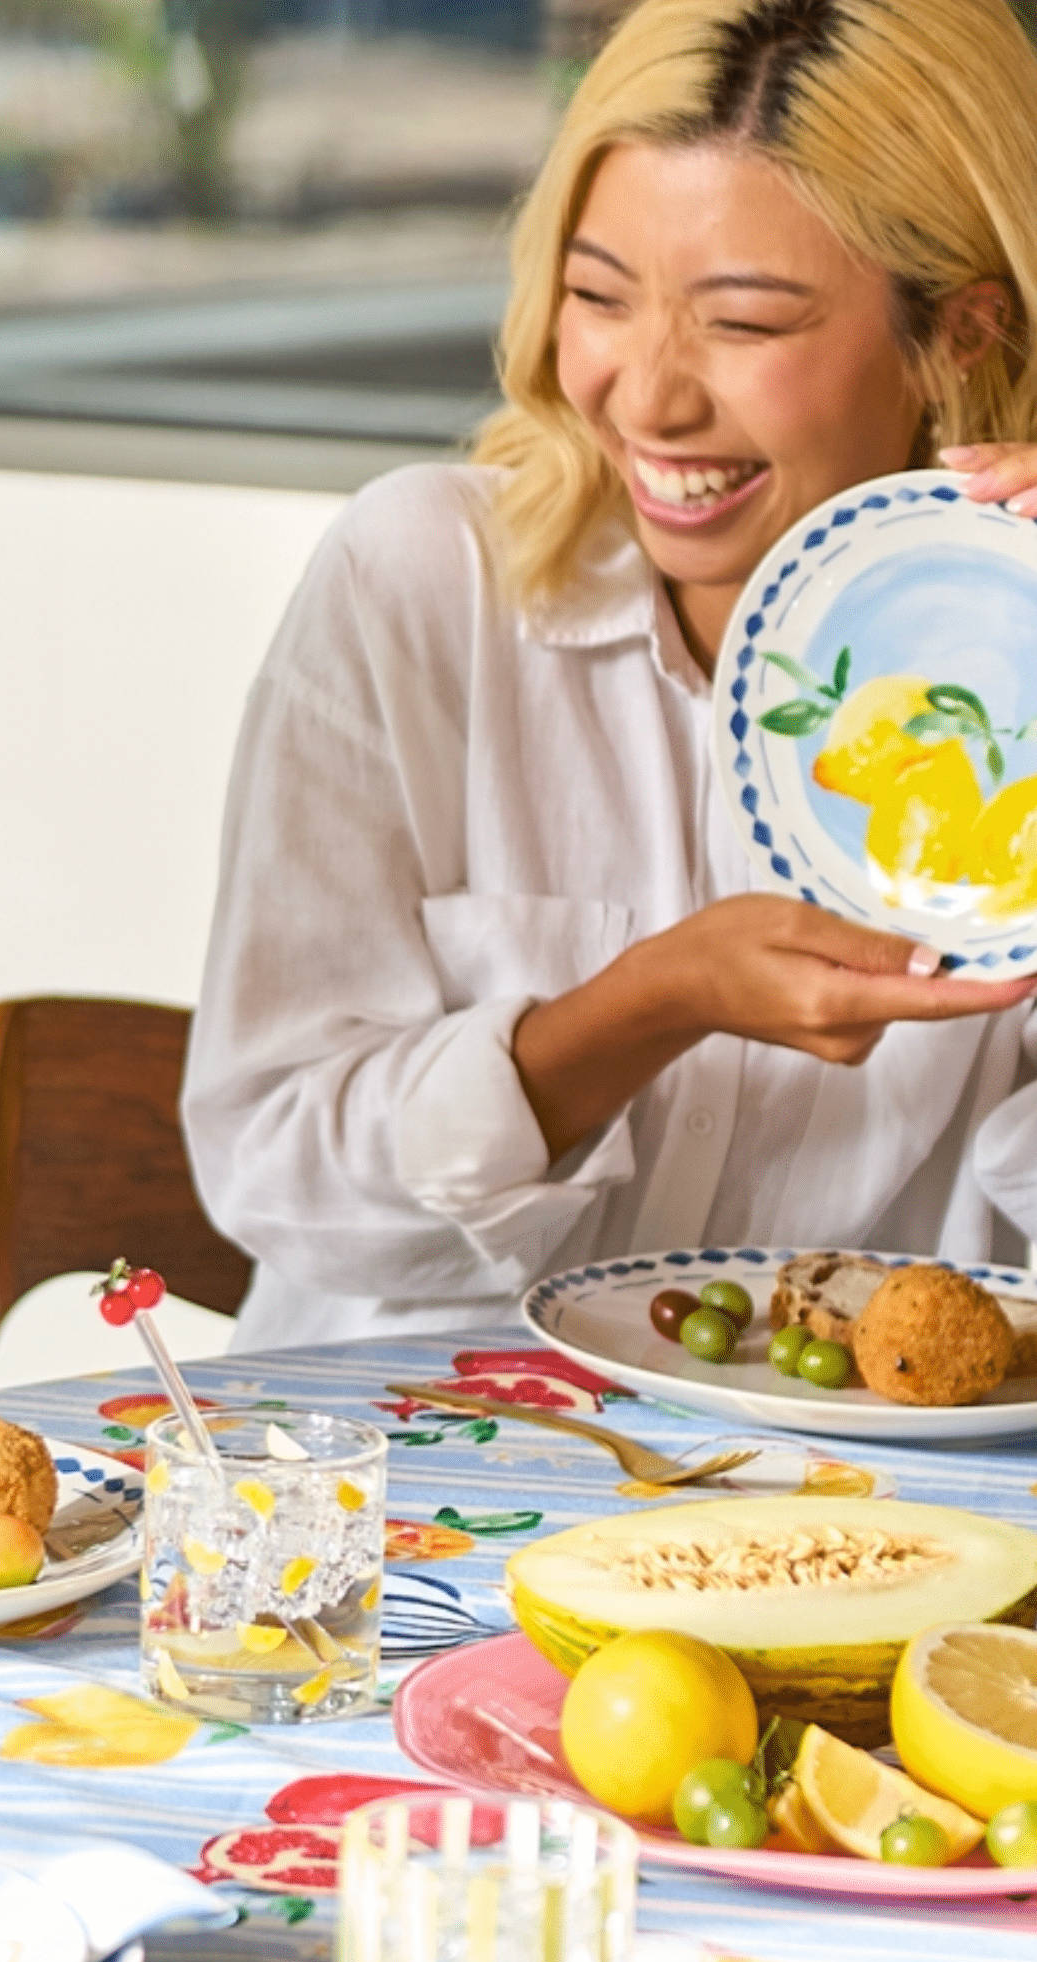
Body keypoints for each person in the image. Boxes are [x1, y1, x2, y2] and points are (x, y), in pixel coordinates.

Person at [184, 0, 1037, 1351]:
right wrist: (644, 1005)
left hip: (855, 1522)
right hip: (408, 1496)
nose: (645, 398)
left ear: (961, 335)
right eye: (596, 296)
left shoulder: (1011, 689)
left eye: (743, 323)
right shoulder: (420, 581)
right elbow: (274, 1171)